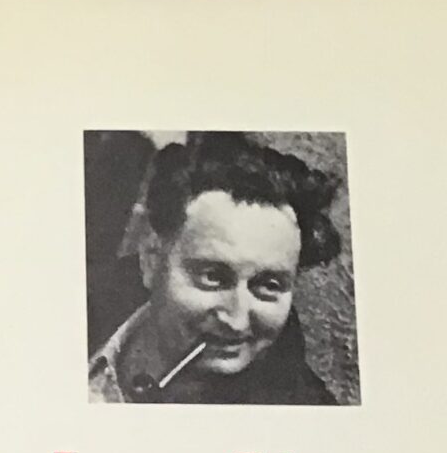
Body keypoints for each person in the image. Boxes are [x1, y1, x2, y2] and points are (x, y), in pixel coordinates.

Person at [88, 132, 343, 405]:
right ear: (151, 259)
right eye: (212, 277)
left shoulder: (303, 413)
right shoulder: (73, 307)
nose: (237, 321)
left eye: (269, 286)